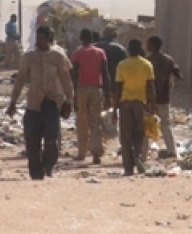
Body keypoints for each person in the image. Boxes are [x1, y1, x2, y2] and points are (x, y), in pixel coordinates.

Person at [7, 25, 75, 180]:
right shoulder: (28, 57)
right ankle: (36, 172)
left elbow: (66, 80)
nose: (40, 42)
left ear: (49, 40)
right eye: (38, 38)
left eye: (43, 39)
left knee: (51, 136)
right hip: (33, 104)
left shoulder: (58, 57)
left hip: (52, 103)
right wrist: (13, 102)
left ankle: (49, 165)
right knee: (32, 139)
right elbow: (20, 80)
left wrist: (69, 101)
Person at [112, 38, 155, 176]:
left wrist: (114, 109)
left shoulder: (122, 65)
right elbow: (150, 88)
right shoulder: (147, 65)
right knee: (139, 134)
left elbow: (118, 88)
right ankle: (138, 156)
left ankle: (128, 169)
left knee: (125, 137)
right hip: (140, 104)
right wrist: (152, 106)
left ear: (129, 50)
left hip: (125, 104)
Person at [71, 28, 110, 164]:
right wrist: (107, 93)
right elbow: (105, 73)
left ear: (81, 38)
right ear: (92, 39)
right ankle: (96, 152)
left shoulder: (77, 54)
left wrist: (74, 94)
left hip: (82, 89)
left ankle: (82, 153)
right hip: (96, 89)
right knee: (95, 121)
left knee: (82, 121)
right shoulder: (100, 53)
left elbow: (74, 75)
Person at [147, 35, 182, 158]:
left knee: (147, 124)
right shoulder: (168, 59)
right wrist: (169, 85)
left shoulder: (147, 60)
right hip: (164, 96)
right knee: (166, 124)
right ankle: (172, 151)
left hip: (149, 98)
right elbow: (178, 76)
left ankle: (143, 153)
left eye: (148, 44)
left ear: (152, 45)